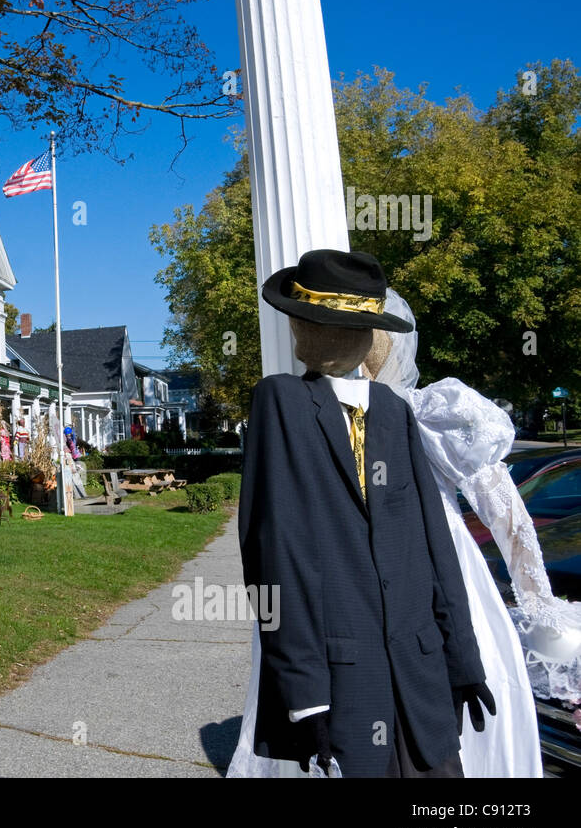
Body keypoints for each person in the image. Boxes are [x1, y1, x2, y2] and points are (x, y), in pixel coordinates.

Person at [229, 287, 557, 778]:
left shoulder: (404, 411)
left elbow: (450, 540)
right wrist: (305, 696)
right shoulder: (282, 402)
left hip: (423, 648)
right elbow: (276, 550)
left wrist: (468, 657)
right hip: (340, 654)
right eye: (308, 323)